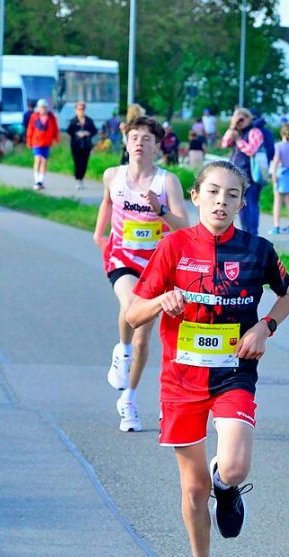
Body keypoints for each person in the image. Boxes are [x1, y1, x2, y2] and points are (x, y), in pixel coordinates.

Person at [125, 160, 289, 557]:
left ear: (243, 202)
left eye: (233, 195)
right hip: (182, 379)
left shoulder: (257, 250)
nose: (222, 201)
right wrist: (161, 300)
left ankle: (229, 486)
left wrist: (265, 326)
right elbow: (133, 314)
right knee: (193, 487)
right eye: (214, 192)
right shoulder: (174, 247)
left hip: (233, 371)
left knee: (235, 465)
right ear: (197, 196)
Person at [93, 116, 190, 432]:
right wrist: (99, 235)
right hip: (122, 259)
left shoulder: (167, 182)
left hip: (157, 264)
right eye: (134, 137)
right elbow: (107, 203)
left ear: (157, 146)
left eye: (146, 138)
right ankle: (121, 353)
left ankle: (129, 400)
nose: (139, 142)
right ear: (126, 142)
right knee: (130, 305)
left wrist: (159, 210)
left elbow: (185, 228)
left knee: (144, 334)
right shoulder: (113, 176)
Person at [221, 108, 269, 234]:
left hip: (251, 174)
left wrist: (238, 141)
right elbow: (225, 144)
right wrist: (232, 126)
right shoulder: (237, 132)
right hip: (237, 174)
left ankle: (252, 233)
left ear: (250, 118)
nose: (240, 121)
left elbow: (252, 150)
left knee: (251, 202)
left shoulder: (255, 132)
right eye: (238, 119)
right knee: (240, 204)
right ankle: (246, 231)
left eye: (243, 119)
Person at [268, 123, 289, 235]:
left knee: (277, 201)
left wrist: (273, 174)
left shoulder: (278, 146)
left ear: (281, 133)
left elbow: (277, 160)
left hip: (281, 174)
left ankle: (276, 226)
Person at [25, 98, 59, 190]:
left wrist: (56, 139)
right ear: (38, 108)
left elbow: (55, 129)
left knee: (44, 161)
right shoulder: (34, 117)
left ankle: (41, 180)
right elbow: (30, 129)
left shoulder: (51, 117)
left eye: (44, 107)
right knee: (38, 159)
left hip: (47, 142)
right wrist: (29, 141)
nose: (43, 109)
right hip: (36, 142)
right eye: (41, 107)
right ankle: (36, 180)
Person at [66, 101, 97, 189]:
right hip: (76, 145)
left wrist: (88, 133)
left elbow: (94, 130)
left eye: (82, 109)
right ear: (76, 110)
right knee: (77, 162)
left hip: (86, 145)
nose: (81, 111)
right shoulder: (73, 121)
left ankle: (82, 178)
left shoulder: (89, 120)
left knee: (84, 163)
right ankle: (78, 180)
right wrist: (77, 133)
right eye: (79, 109)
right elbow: (69, 131)